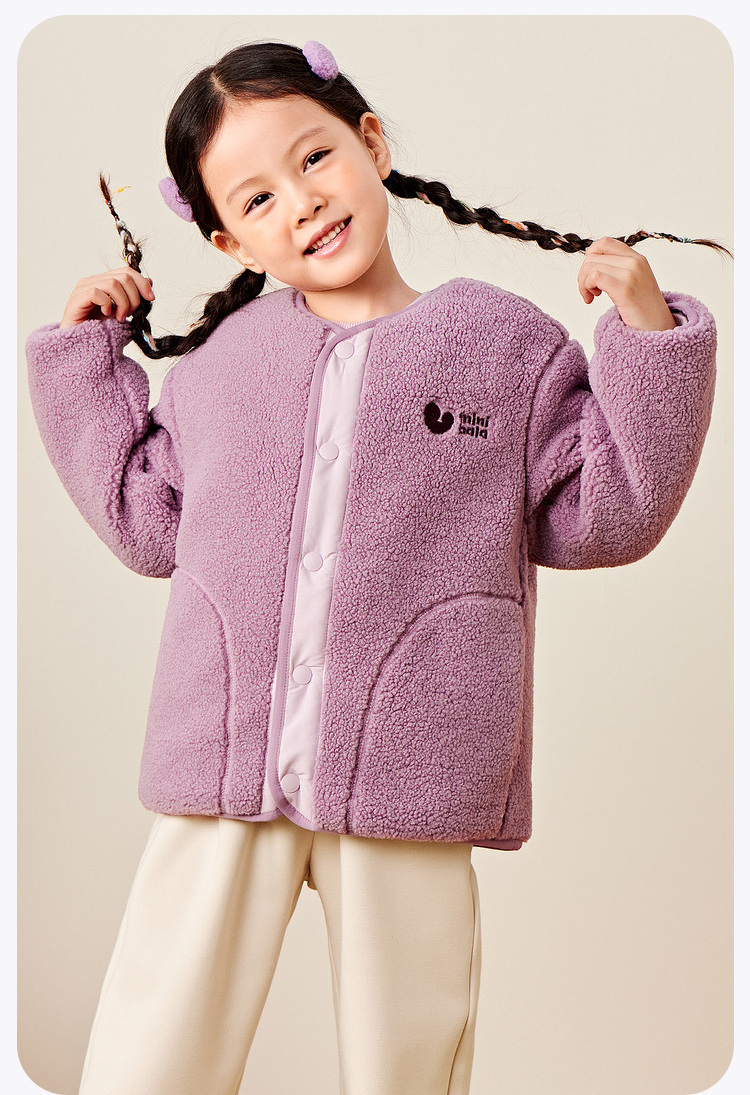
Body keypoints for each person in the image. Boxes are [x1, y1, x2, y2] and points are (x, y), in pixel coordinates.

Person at [25, 38, 725, 1095]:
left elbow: (610, 513)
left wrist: (648, 333)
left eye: (314, 158)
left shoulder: (503, 347)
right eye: (257, 199)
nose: (302, 202)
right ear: (226, 238)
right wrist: (85, 360)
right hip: (224, 768)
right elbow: (146, 524)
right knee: (151, 1055)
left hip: (416, 769)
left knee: (408, 1064)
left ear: (370, 143)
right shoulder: (222, 369)